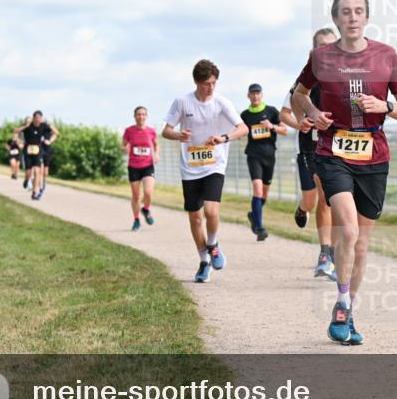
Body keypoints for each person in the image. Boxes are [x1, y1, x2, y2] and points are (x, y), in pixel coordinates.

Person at [291, 0, 397, 346]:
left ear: (367, 16)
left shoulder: (386, 56)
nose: (352, 17)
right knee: (347, 231)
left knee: (361, 244)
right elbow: (298, 95)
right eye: (345, 11)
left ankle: (350, 308)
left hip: (374, 155)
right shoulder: (321, 58)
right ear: (335, 18)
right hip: (333, 151)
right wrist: (313, 114)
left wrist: (386, 107)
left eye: (358, 11)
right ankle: (342, 304)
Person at [161, 59, 248, 283]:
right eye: (207, 83)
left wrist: (223, 138)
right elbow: (166, 131)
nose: (211, 87)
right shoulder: (182, 102)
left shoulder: (221, 103)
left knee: (211, 212)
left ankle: (213, 243)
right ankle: (203, 261)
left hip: (214, 164)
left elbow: (243, 128)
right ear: (197, 82)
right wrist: (179, 135)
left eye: (214, 83)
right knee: (195, 218)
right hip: (190, 167)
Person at [281, 27, 339, 280]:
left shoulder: (345, 77)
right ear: (313, 51)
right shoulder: (303, 82)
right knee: (318, 199)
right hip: (311, 146)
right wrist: (300, 121)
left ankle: (332, 253)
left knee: (335, 199)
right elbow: (290, 107)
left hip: (340, 145)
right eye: (322, 47)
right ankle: (325, 251)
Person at [240, 83, 288, 241]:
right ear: (248, 96)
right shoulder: (245, 115)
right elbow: (239, 130)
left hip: (269, 156)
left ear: (262, 95)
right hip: (253, 155)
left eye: (258, 93)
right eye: (252, 93)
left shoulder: (271, 111)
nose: (255, 96)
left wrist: (271, 126)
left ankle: (254, 214)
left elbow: (284, 130)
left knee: (264, 193)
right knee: (258, 190)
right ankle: (260, 228)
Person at [122, 106, 159, 231]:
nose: (141, 116)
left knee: (148, 192)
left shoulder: (151, 131)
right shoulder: (129, 130)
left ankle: (146, 209)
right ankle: (136, 219)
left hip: (148, 165)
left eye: (143, 114)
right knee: (136, 195)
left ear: (146, 116)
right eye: (138, 114)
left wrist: (157, 154)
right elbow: (123, 145)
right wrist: (125, 149)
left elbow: (156, 145)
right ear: (135, 116)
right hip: (133, 166)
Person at [19, 112, 58, 200]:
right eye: (37, 118)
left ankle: (38, 189)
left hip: (44, 151)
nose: (39, 120)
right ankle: (32, 185)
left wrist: (50, 141)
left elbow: (56, 133)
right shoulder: (30, 127)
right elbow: (17, 132)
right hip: (33, 150)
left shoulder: (45, 127)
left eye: (40, 118)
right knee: (34, 172)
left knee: (42, 172)